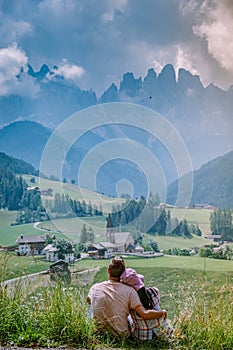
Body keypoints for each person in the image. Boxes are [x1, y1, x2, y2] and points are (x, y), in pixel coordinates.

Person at [86, 256, 167, 337]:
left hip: (100, 334)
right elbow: (144, 314)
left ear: (108, 270)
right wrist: (163, 313)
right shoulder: (130, 291)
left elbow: (88, 300)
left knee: (93, 304)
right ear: (123, 273)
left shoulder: (95, 287)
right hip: (121, 335)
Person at [120, 267, 174, 341]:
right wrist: (164, 312)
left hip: (142, 336)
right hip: (163, 332)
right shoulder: (154, 291)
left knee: (129, 317)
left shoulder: (129, 300)